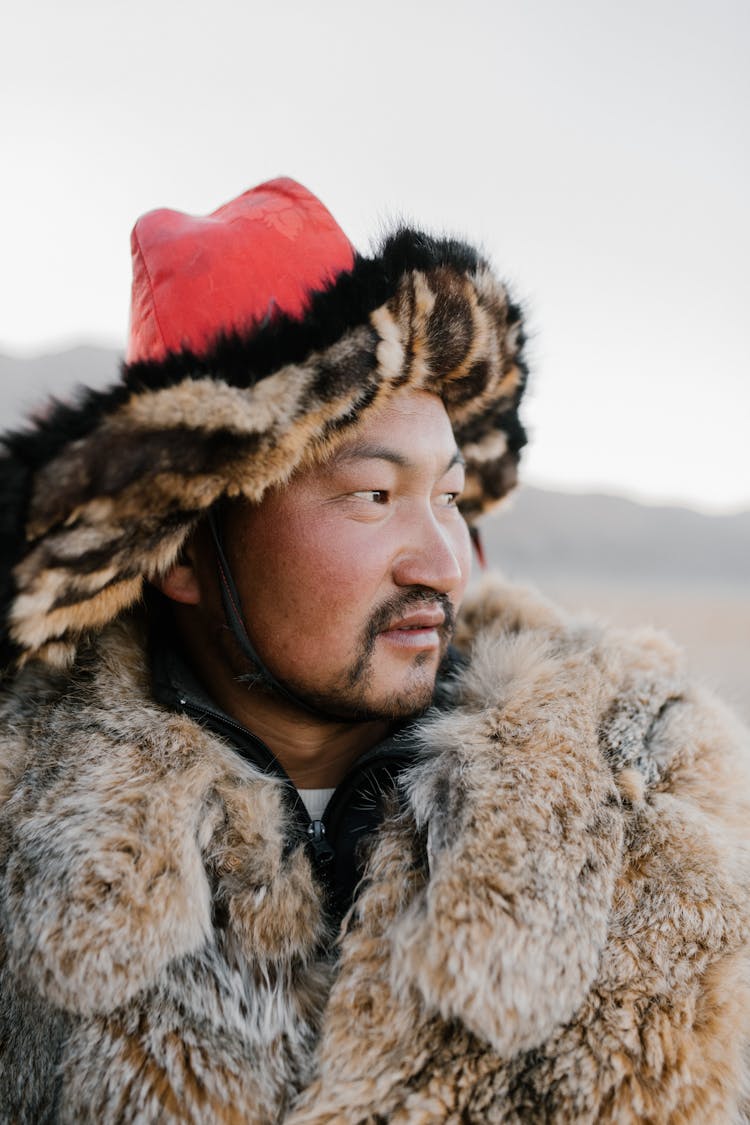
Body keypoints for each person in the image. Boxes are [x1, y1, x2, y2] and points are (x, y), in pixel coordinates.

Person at [0, 177, 748, 1124]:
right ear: (185, 548)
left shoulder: (629, 797)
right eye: (372, 495)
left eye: (447, 494)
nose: (443, 562)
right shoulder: (23, 827)